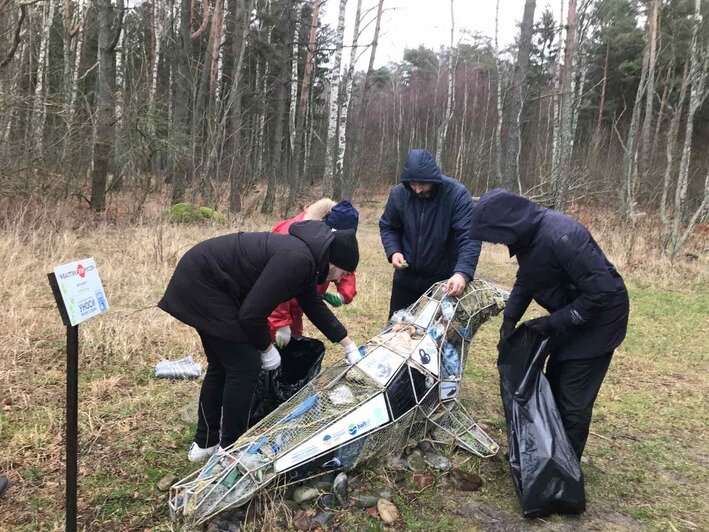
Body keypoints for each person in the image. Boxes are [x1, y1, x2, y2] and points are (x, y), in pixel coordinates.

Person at [158, 220, 361, 462]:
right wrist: (266, 348)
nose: (342, 278)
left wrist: (347, 343)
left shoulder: (307, 260)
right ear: (334, 262)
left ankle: (206, 442)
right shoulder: (299, 261)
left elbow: (313, 305)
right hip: (204, 284)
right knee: (245, 366)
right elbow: (251, 314)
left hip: (202, 279)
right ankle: (230, 450)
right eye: (344, 272)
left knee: (223, 365)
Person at [469, 189, 629, 460]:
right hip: (572, 318)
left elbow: (602, 292)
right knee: (553, 386)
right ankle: (550, 455)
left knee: (572, 400)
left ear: (507, 227)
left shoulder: (561, 236)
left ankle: (565, 470)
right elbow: (526, 279)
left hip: (600, 323)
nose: (495, 244)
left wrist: (553, 322)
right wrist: (510, 318)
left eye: (494, 238)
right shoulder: (530, 239)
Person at [379, 148, 481, 318]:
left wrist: (462, 273)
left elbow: (469, 237)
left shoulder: (456, 195)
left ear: (433, 179)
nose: (417, 190)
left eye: (422, 184)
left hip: (441, 284)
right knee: (396, 333)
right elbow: (389, 226)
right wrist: (394, 251)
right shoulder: (398, 194)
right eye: (413, 184)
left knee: (435, 338)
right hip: (405, 281)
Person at [268, 199, 358, 347]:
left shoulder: (333, 242)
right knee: (267, 344)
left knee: (293, 343)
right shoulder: (290, 235)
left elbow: (346, 267)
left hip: (302, 301)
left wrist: (343, 295)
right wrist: (280, 322)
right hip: (276, 303)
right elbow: (275, 284)